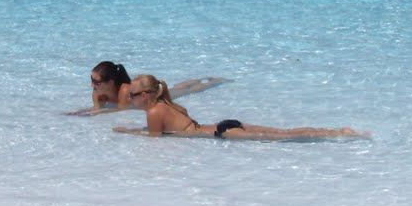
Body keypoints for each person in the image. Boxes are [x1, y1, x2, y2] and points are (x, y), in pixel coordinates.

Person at [116, 76, 367, 140]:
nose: (131, 98)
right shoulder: (166, 104)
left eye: (134, 95)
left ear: (146, 95)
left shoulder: (154, 112)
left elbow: (155, 138)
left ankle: (339, 134)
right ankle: (337, 131)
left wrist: (129, 132)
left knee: (287, 137)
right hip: (223, 126)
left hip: (221, 134)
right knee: (283, 132)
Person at [76, 62, 226, 115]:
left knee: (186, 91)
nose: (92, 85)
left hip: (154, 95)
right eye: (91, 80)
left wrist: (98, 112)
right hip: (147, 94)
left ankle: (212, 82)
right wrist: (79, 111)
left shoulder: (124, 91)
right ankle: (202, 79)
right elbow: (96, 109)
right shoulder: (98, 92)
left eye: (96, 82)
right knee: (177, 88)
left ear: (110, 82)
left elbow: (122, 110)